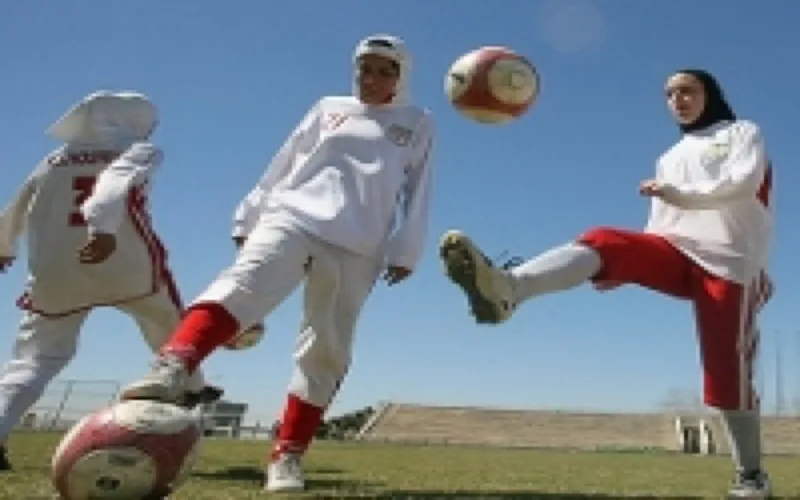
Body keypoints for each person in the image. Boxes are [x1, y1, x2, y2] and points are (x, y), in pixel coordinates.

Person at [119, 34, 435, 492]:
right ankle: (173, 365)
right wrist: (250, 212)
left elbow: (419, 190)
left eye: (386, 70)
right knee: (244, 283)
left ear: (402, 77)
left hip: (359, 244)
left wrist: (406, 249)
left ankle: (287, 455)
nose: (372, 77)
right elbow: (285, 159)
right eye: (365, 67)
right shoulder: (329, 107)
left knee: (327, 348)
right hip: (293, 215)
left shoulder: (418, 121)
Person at [439, 69, 774, 499]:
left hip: (732, 264)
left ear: (710, 94)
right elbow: (662, 227)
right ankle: (508, 289)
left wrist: (678, 195)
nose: (678, 99)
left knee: (725, 370)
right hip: (678, 252)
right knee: (605, 239)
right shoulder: (670, 157)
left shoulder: (742, 132)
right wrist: (619, 266)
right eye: (669, 94)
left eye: (687, 90)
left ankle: (751, 476)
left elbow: (744, 183)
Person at [0, 91, 223, 471]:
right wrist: (101, 226)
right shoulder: (138, 151)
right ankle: (190, 387)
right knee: (172, 329)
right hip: (122, 257)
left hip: (56, 271)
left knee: (34, 361)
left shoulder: (52, 160)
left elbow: (17, 206)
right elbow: (113, 183)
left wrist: (4, 247)